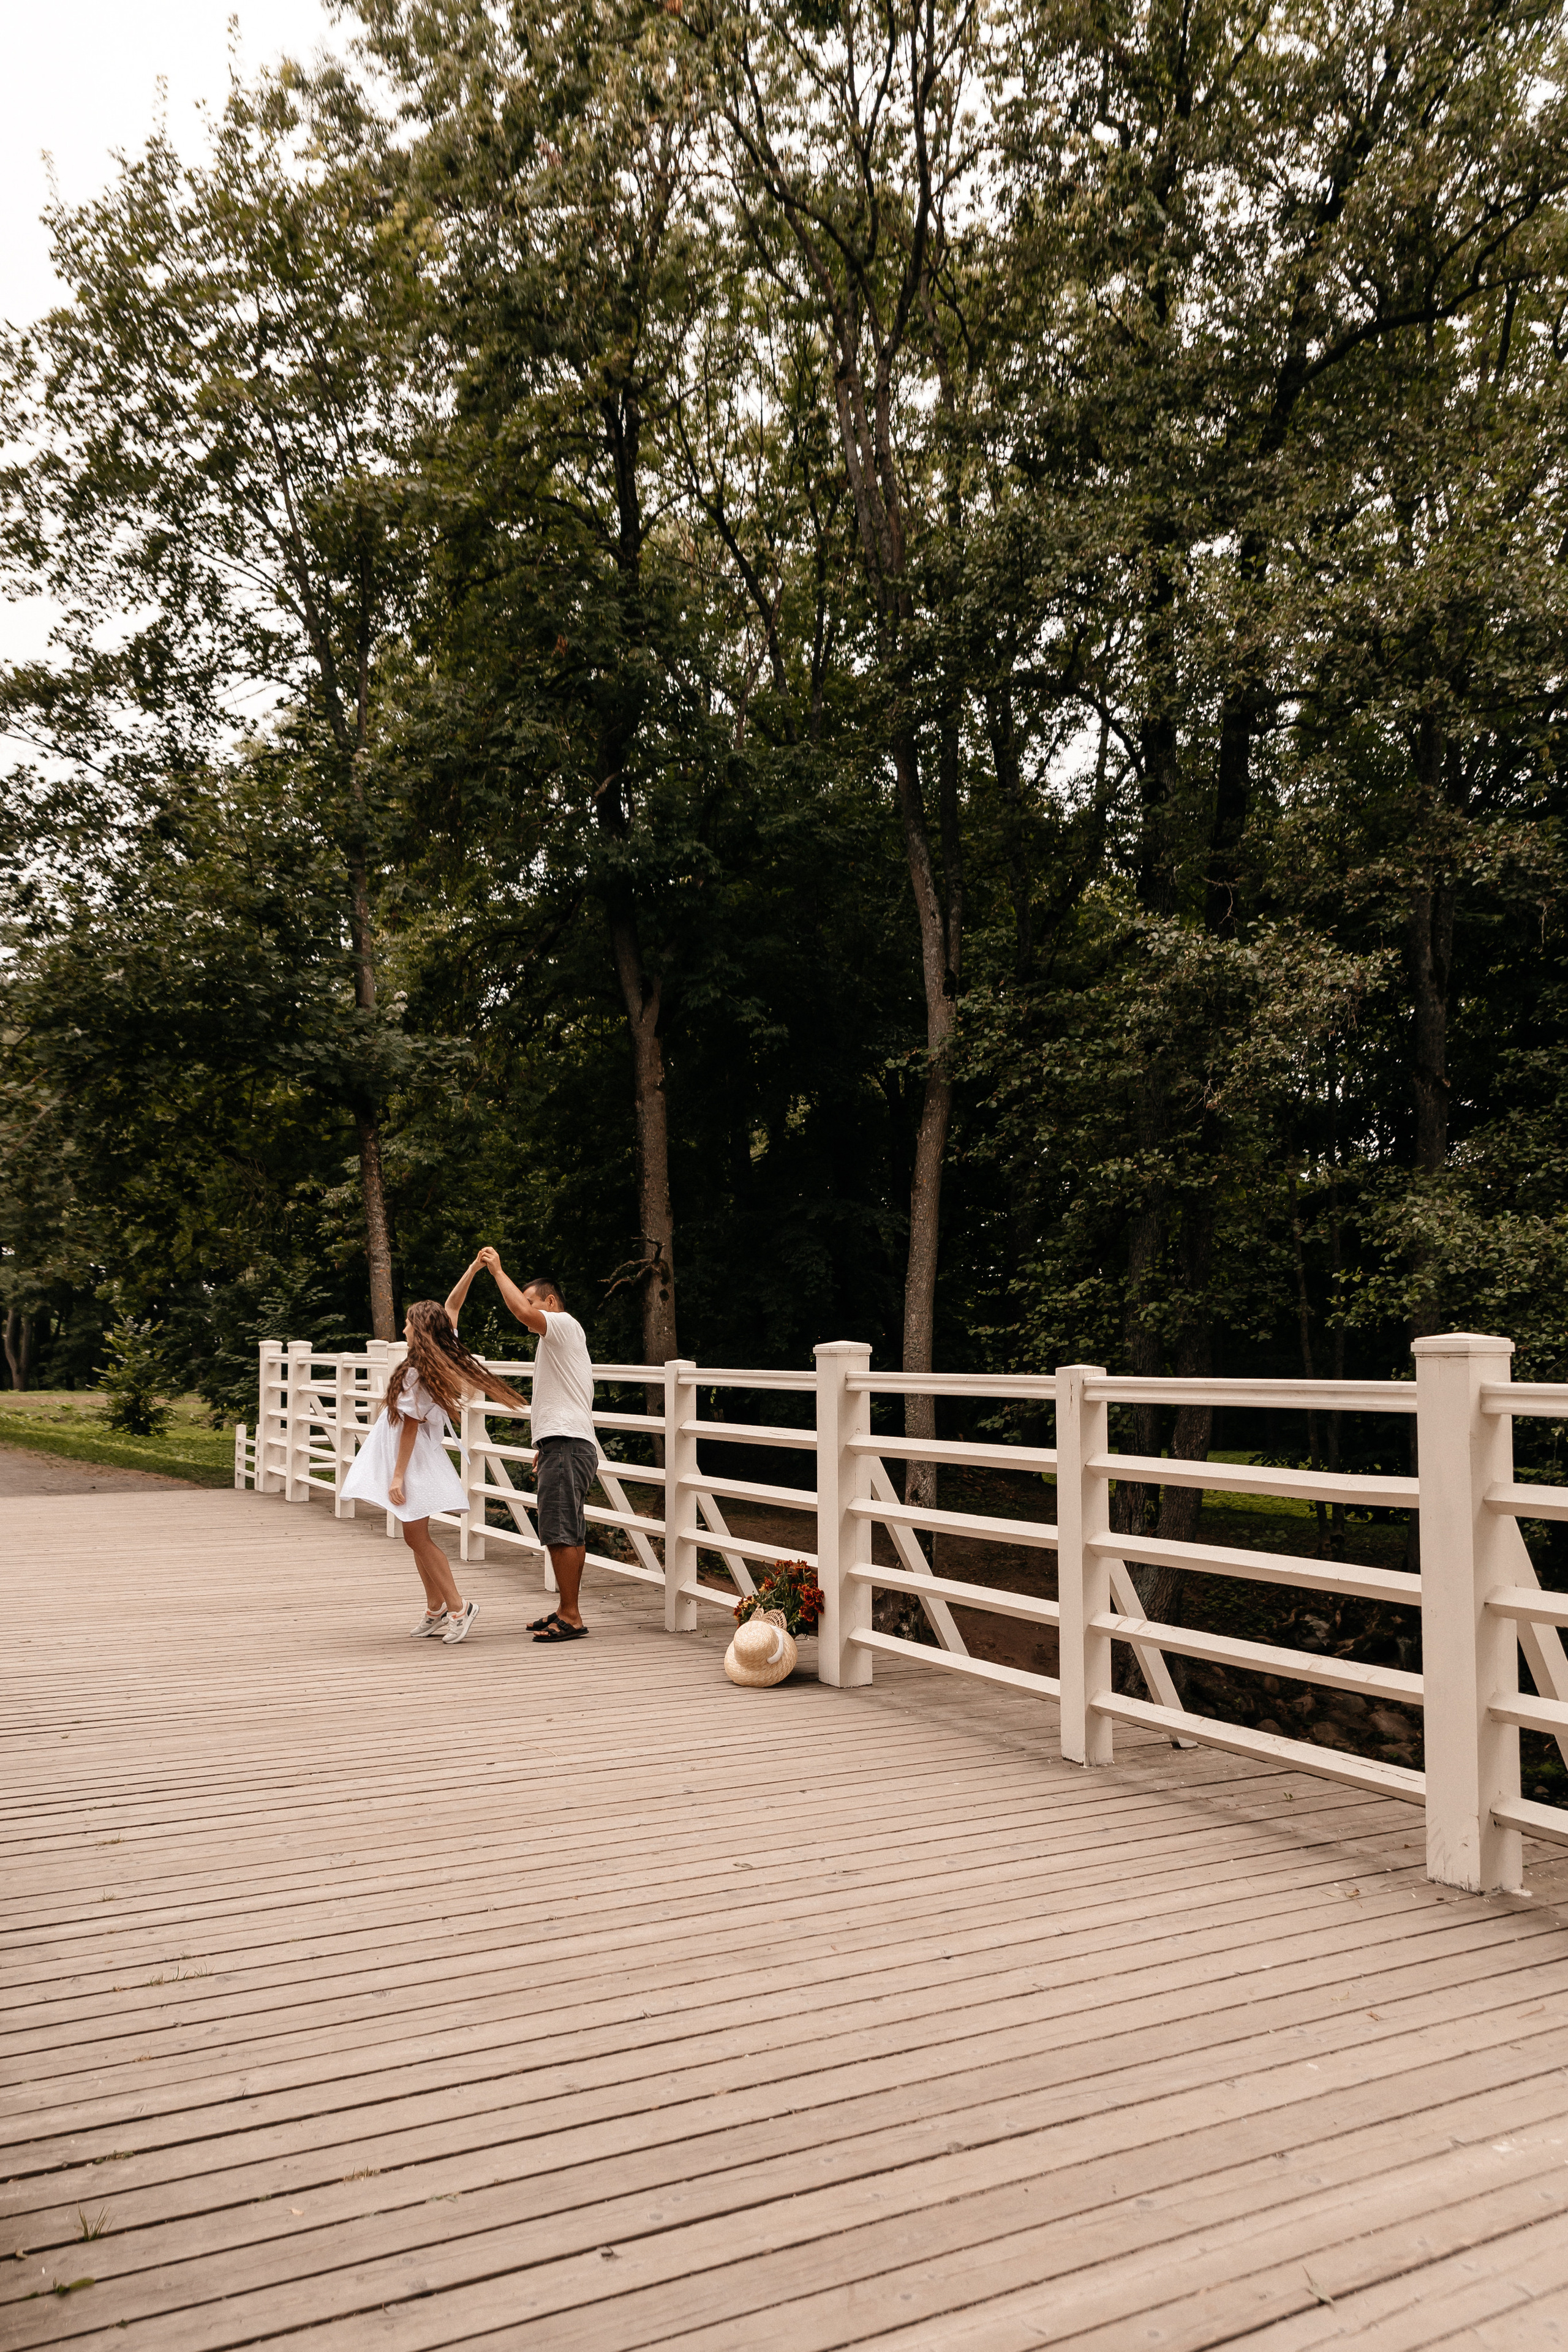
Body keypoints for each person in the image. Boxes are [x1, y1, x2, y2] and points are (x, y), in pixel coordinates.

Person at [341, 1258, 527, 1644]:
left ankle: (459, 1606)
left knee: (418, 1536)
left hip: (411, 1457)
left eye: (408, 1323)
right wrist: (474, 1270)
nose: (404, 1328)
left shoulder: (418, 1369)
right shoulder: (439, 1352)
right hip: (414, 1453)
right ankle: (436, 1607)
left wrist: (396, 1475)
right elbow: (453, 1306)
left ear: (420, 1329)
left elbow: (410, 1424)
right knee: (414, 1535)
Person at [477, 1247, 598, 1642]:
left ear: (550, 1301)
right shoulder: (558, 1339)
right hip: (563, 1443)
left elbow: (522, 1312)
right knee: (569, 1528)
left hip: (567, 1444)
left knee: (560, 1530)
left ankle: (571, 1617)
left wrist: (497, 1272)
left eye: (533, 1301)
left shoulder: (562, 1323)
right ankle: (568, 1609)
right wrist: (545, 1444)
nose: (527, 1310)